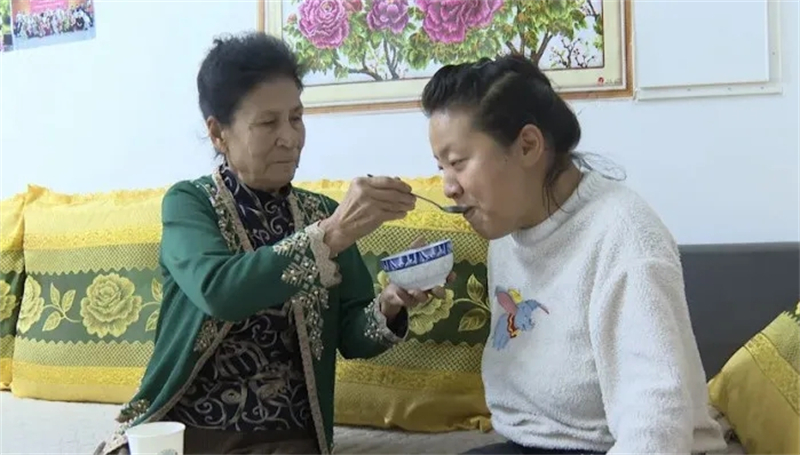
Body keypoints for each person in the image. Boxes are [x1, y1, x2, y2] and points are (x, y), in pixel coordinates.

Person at [95, 32, 443, 455]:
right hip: (187, 430)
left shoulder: (321, 212)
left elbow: (353, 337)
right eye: (267, 123)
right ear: (218, 133)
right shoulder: (190, 204)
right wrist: (331, 235)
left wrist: (390, 303)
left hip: (286, 437)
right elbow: (219, 291)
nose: (290, 138)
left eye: (296, 118)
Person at [420, 55, 728, 455]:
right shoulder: (507, 226)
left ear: (528, 145)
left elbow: (657, 424)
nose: (448, 187)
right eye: (441, 167)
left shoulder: (624, 233)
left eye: (458, 163)